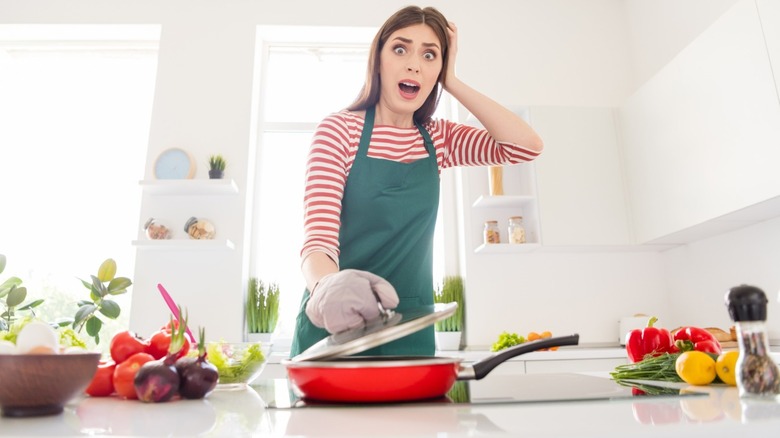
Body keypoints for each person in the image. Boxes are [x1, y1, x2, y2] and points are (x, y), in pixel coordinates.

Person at [290, 5, 543, 357]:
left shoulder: (438, 140)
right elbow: (318, 241)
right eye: (399, 48)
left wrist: (452, 82)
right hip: (334, 330)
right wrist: (328, 288)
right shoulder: (339, 131)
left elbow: (526, 147)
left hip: (409, 329)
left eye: (430, 55)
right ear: (378, 59)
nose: (414, 64)